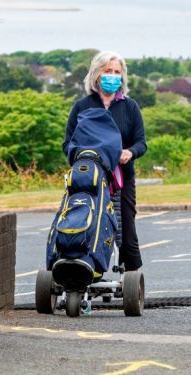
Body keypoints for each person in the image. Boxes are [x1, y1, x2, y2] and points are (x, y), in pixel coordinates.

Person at [62, 50, 147, 272]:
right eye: (108, 71)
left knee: (126, 228)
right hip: (89, 178)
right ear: (97, 75)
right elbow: (68, 144)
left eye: (117, 72)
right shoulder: (82, 107)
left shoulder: (130, 107)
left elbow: (141, 143)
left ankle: (130, 275)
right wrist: (83, 156)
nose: (112, 76)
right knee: (87, 222)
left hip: (122, 177)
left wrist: (130, 152)